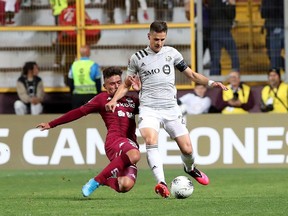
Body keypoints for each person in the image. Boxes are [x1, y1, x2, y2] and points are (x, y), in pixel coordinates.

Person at [105, 20, 228, 198]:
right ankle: (161, 182)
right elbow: (126, 85)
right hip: (149, 109)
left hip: (171, 109)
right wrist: (115, 99)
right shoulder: (137, 58)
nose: (159, 43)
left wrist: (211, 83)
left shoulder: (172, 54)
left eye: (162, 39)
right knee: (150, 139)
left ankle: (190, 168)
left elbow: (191, 74)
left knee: (187, 149)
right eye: (156, 39)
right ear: (149, 36)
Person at [36, 67, 141, 197]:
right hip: (115, 141)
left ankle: (106, 180)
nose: (116, 86)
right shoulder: (102, 99)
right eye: (112, 84)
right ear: (105, 86)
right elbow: (78, 112)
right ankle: (96, 181)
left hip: (130, 143)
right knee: (135, 154)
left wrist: (140, 91)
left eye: (119, 82)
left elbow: (153, 108)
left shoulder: (132, 100)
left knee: (124, 185)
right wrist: (51, 124)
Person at [208, 0, 239, 75]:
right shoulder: (224, 3)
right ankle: (236, 75)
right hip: (224, 32)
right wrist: (232, 5)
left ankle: (213, 79)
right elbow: (231, 15)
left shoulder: (212, 3)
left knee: (215, 58)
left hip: (214, 32)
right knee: (234, 55)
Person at [260, 0, 284, 70]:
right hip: (271, 28)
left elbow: (265, 12)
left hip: (277, 27)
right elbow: (263, 13)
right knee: (271, 54)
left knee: (274, 57)